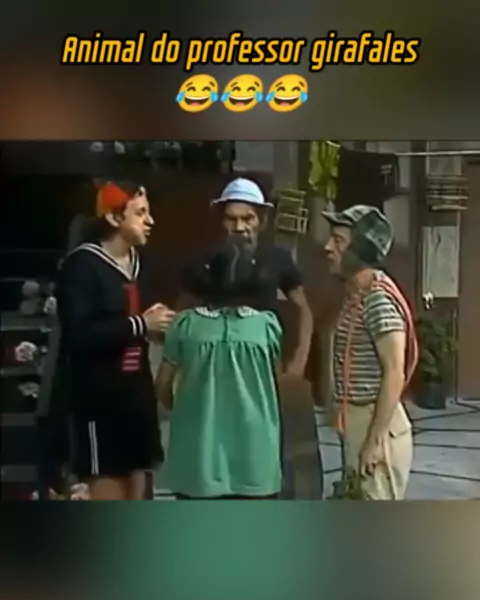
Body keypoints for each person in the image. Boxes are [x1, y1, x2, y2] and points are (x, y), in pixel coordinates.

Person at [56, 179, 175, 500]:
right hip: (100, 399)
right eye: (140, 213)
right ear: (113, 217)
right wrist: (140, 324)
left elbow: (143, 322)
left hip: (137, 395)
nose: (150, 221)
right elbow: (80, 334)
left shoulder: (143, 263)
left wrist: (159, 326)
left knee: (141, 480)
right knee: (107, 481)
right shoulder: (83, 266)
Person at [155, 234, 284, 499]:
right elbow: (275, 384)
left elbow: (162, 386)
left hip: (197, 457)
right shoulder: (267, 326)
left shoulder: (185, 325)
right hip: (256, 455)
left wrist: (189, 410)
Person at [322, 205, 418, 500]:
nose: (328, 247)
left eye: (338, 241)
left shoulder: (378, 301)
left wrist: (374, 442)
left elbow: (394, 372)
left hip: (376, 425)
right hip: (357, 422)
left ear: (359, 250)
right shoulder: (357, 296)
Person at [179, 177, 313, 377]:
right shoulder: (205, 264)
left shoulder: (278, 259)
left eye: (248, 219)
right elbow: (181, 316)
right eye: (231, 219)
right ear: (221, 221)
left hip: (264, 368)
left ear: (262, 221)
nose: (239, 227)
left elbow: (303, 310)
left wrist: (298, 363)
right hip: (214, 368)